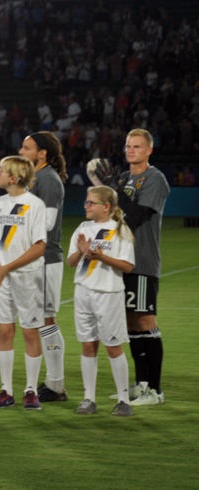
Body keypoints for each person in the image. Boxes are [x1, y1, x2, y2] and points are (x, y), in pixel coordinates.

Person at [89, 128, 170, 405]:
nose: (131, 151)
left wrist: (113, 190)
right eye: (127, 146)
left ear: (149, 150)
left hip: (143, 260)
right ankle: (141, 383)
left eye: (137, 146)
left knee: (146, 320)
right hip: (121, 261)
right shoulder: (123, 178)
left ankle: (155, 390)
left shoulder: (155, 179)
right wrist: (102, 186)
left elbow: (133, 216)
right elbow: (109, 214)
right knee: (131, 323)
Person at [0, 155, 48, 411]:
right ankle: (6, 390)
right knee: (4, 331)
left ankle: (30, 389)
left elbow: (40, 246)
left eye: (0, 170)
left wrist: (5, 267)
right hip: (3, 278)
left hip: (28, 277)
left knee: (30, 332)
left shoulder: (35, 205)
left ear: (13, 177)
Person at [67, 186, 136, 417]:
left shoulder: (120, 230)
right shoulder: (83, 228)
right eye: (86, 202)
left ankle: (124, 400)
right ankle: (89, 398)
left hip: (108, 294)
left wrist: (100, 256)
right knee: (88, 345)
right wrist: (81, 252)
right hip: (83, 292)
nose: (86, 206)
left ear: (106, 206)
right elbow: (71, 262)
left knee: (113, 346)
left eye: (91, 203)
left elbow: (127, 266)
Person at [18, 131, 69, 403]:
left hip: (46, 260)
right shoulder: (35, 178)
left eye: (27, 147)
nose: (21, 150)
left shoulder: (47, 179)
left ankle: (56, 384)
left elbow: (47, 224)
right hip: (34, 260)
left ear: (42, 154)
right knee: (41, 320)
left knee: (47, 319)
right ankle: (53, 382)